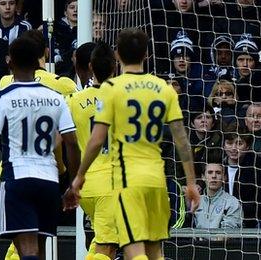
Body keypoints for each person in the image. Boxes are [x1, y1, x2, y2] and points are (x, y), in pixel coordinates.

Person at [64, 28, 200, 260]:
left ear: (118, 56)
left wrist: (78, 177)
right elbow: (182, 139)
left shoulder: (111, 90)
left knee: (132, 249)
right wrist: (191, 182)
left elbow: (96, 140)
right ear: (146, 55)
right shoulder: (164, 89)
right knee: (154, 250)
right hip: (156, 179)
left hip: (126, 179)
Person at [0, 37, 80, 259]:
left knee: (27, 251)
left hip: (18, 177)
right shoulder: (56, 98)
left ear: (9, 62)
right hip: (49, 179)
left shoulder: (2, 96)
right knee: (39, 250)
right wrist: (74, 183)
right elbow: (71, 142)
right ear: (38, 63)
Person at [65, 42, 118, 260]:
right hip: (111, 183)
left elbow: (62, 139)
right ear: (114, 67)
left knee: (99, 242)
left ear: (91, 67)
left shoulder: (72, 101)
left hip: (85, 183)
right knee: (108, 247)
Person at [194, 163, 242, 229]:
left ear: (224, 178)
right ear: (203, 177)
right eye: (210, 172)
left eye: (218, 173)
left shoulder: (232, 202)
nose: (214, 176)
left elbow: (229, 232)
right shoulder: (197, 201)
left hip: (220, 239)